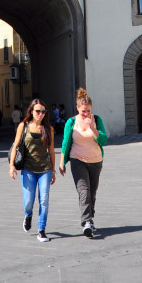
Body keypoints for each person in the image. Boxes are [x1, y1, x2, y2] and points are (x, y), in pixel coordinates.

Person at [58, 88, 108, 238]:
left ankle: (90, 217)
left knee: (92, 192)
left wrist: (93, 129)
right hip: (77, 160)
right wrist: (62, 162)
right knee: (83, 191)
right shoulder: (71, 122)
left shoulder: (97, 120)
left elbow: (104, 140)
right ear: (78, 109)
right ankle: (86, 222)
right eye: (83, 111)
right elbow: (66, 142)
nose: (86, 114)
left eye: (88, 111)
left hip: (96, 161)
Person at [9, 98, 56, 242]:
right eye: (37, 111)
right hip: (28, 169)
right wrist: (12, 166)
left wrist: (53, 170)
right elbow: (16, 146)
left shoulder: (49, 129)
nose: (40, 114)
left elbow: (52, 150)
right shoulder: (23, 126)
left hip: (45, 169)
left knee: (44, 200)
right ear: (31, 111)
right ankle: (28, 215)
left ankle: (41, 230)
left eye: (43, 111)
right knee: (28, 202)